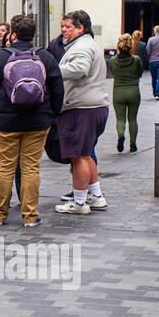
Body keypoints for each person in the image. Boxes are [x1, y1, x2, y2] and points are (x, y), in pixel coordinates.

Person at [0, 14, 64, 227]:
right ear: (32, 35)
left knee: (5, 167)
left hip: (5, 122)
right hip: (37, 122)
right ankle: (30, 216)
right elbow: (57, 87)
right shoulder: (45, 57)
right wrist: (51, 113)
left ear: (13, 35)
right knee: (31, 168)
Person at [53, 11, 111, 216]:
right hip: (93, 106)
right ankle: (96, 196)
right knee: (86, 154)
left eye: (67, 26)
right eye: (62, 26)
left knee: (77, 157)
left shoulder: (82, 46)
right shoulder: (88, 44)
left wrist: (52, 71)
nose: (63, 30)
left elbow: (79, 69)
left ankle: (79, 202)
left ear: (80, 28)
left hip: (81, 109)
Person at [110, 33, 144, 153]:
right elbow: (139, 72)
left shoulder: (113, 61)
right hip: (133, 91)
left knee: (120, 119)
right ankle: (133, 144)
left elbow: (113, 73)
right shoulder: (136, 60)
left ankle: (120, 135)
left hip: (118, 91)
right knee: (133, 119)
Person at [146, 25, 159, 99]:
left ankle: (154, 93)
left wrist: (148, 59)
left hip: (153, 61)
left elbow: (148, 51)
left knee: (154, 78)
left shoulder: (151, 40)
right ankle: (158, 94)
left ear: (155, 31)